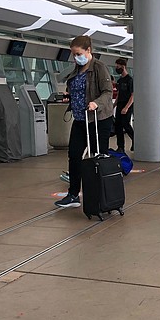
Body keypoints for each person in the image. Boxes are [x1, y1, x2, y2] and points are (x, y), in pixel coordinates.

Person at [54, 35, 114, 209]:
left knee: (98, 156)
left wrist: (96, 103)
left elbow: (107, 92)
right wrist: (70, 97)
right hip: (80, 119)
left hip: (98, 119)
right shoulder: (76, 69)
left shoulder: (99, 68)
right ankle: (73, 194)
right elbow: (76, 90)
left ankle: (101, 195)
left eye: (78, 54)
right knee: (74, 155)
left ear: (88, 50)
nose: (76, 57)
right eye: (73, 54)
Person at [113, 58, 134, 152]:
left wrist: (126, 107)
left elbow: (133, 95)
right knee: (118, 126)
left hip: (127, 105)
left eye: (117, 66)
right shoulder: (120, 80)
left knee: (125, 124)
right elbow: (119, 94)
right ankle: (120, 147)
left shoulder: (130, 80)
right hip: (120, 105)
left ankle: (134, 139)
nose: (116, 68)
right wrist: (114, 105)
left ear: (123, 66)